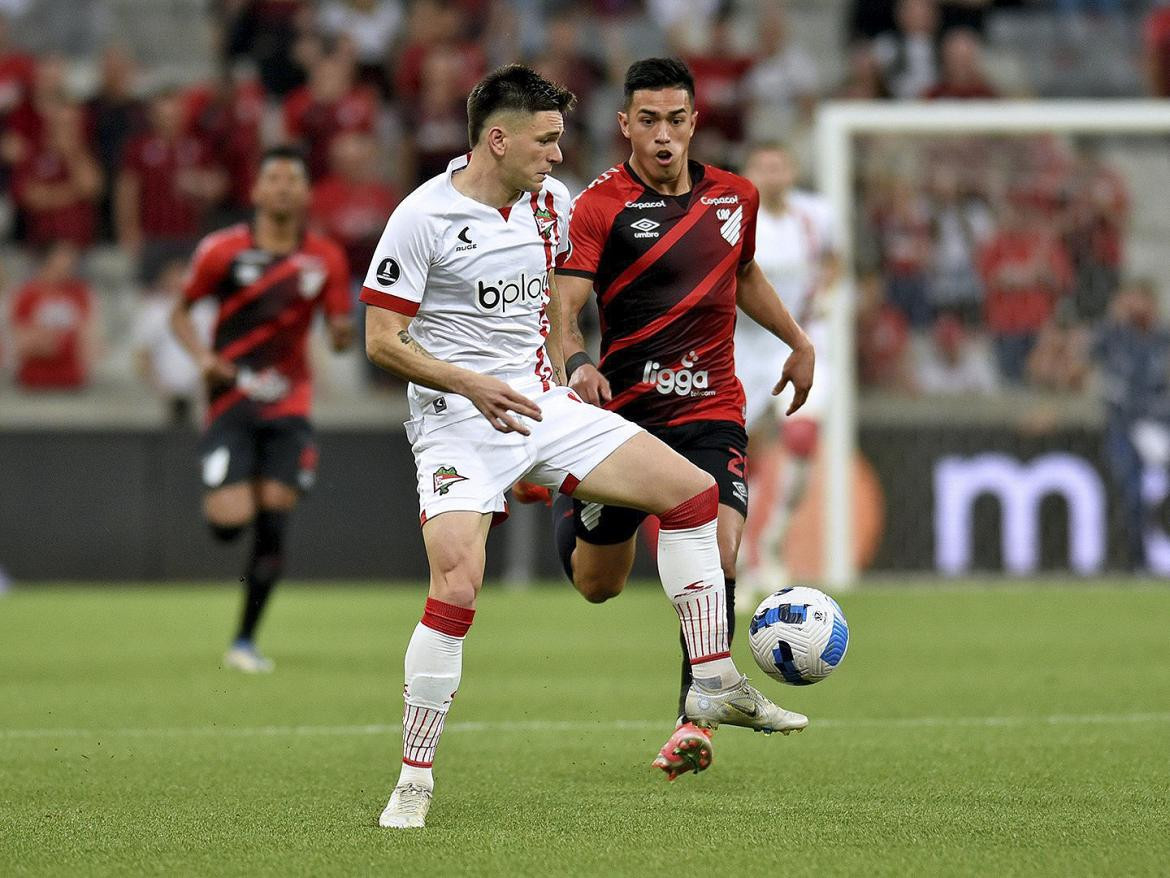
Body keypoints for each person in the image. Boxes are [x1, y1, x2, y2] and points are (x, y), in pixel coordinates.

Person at [362, 64, 809, 831]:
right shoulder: (421, 218)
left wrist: (558, 396)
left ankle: (710, 682)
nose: (557, 152)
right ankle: (414, 780)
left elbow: (551, 311)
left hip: (541, 410)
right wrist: (469, 384)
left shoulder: (550, 203)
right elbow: (381, 342)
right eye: (545, 139)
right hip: (457, 421)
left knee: (692, 493)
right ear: (496, 139)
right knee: (458, 586)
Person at [529, 59, 814, 771]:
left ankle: (696, 722)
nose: (663, 135)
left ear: (695, 121)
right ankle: (570, 505)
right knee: (600, 584)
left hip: (712, 408)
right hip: (623, 417)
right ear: (625, 124)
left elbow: (742, 273)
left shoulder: (734, 196)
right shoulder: (599, 206)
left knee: (718, 548)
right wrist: (576, 365)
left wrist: (798, 340)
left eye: (676, 120)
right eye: (648, 120)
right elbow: (565, 310)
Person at [170, 145, 352, 673]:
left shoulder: (325, 257)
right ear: (255, 191)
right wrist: (203, 357)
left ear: (305, 193)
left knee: (275, 518)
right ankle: (235, 490)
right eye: (272, 178)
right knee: (229, 522)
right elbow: (181, 313)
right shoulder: (221, 250)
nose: (282, 188)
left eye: (292, 179)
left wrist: (341, 333)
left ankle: (244, 642)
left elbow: (339, 333)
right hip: (230, 400)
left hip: (289, 402)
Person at [728, 142, 836, 601]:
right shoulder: (730, 216)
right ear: (748, 172)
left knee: (801, 438)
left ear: (792, 171)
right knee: (739, 455)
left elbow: (836, 262)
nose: (771, 175)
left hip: (801, 342)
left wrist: (824, 298)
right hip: (741, 348)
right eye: (762, 166)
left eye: (779, 166)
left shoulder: (817, 216)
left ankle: (773, 540)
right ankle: (746, 557)